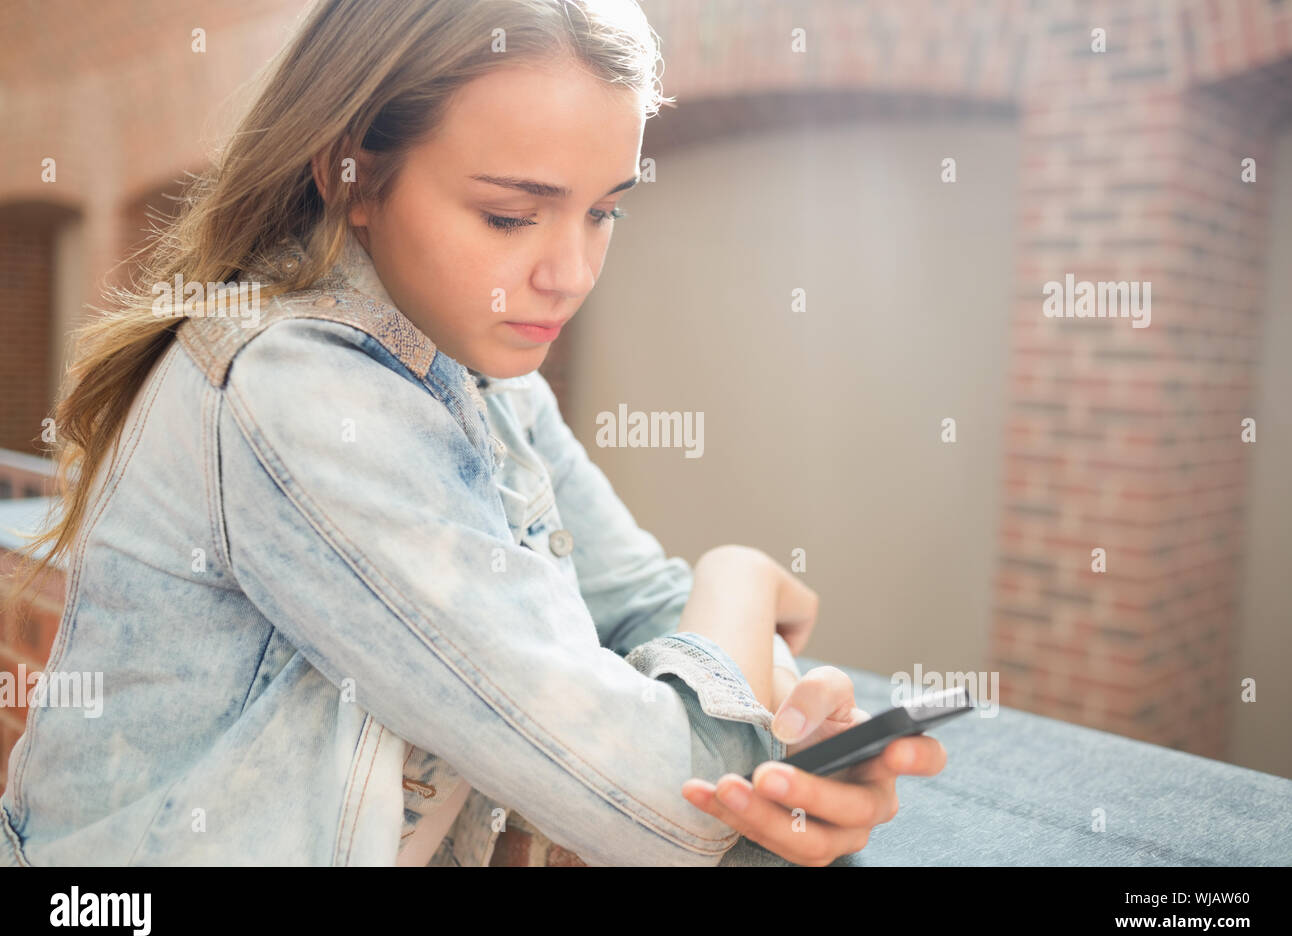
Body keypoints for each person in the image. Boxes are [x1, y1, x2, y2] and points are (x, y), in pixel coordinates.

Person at [1, 0, 945, 867]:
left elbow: (637, 606)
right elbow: (675, 805)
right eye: (509, 216)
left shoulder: (485, 372)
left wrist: (794, 735)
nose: (571, 273)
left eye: (604, 211)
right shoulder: (296, 386)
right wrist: (741, 575)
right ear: (351, 175)